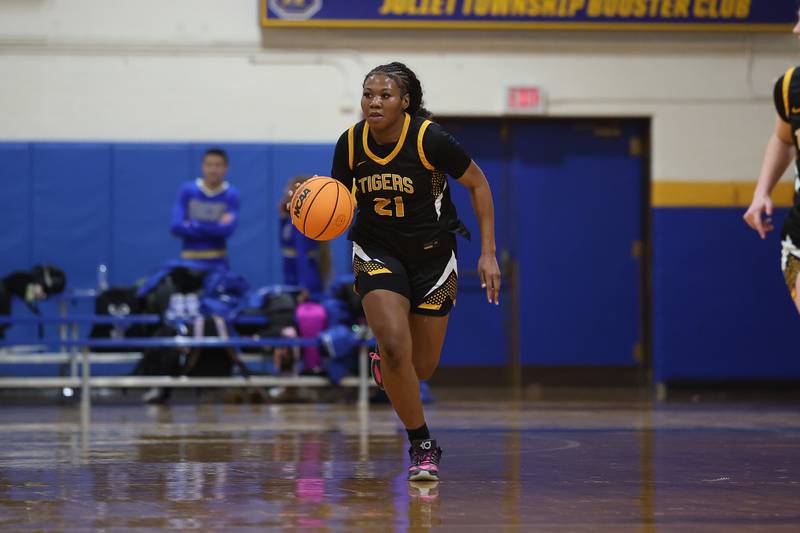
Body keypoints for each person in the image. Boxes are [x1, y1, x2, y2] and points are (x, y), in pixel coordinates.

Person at [331, 62, 501, 481]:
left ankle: (387, 368)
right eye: (368, 94)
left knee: (420, 368)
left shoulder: (431, 139)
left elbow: (479, 184)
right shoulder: (350, 143)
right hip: (377, 251)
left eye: (384, 95)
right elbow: (337, 201)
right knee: (393, 346)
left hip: (433, 258)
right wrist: (308, 204)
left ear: (405, 102)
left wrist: (488, 253)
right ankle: (422, 445)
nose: (374, 102)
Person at [743, 11, 800, 313]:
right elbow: (782, 139)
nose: (795, 30)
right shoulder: (791, 86)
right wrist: (761, 191)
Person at [170, 148, 240, 269]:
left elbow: (227, 230)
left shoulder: (231, 194)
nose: (213, 170)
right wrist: (215, 226)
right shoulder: (187, 190)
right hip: (189, 262)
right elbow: (176, 226)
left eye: (218, 165)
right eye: (209, 165)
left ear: (226, 168)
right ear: (202, 167)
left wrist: (193, 224)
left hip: (219, 263)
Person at [279, 176, 330, 294]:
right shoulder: (290, 218)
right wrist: (282, 219)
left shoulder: (303, 222)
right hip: (291, 273)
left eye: (289, 188)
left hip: (304, 277)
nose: (285, 191)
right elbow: (284, 244)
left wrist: (304, 286)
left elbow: (301, 253)